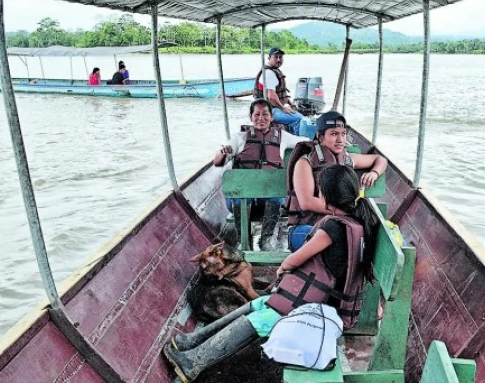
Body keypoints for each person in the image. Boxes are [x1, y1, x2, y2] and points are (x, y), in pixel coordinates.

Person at [163, 165, 377, 382]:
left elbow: (296, 258)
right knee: (259, 303)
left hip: (322, 311)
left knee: (265, 316)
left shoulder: (332, 228)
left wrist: (283, 268)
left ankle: (193, 362)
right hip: (326, 302)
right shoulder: (356, 223)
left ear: (326, 195)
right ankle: (195, 341)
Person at [214, 98, 308, 250]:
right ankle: (244, 240)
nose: (261, 118)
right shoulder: (239, 138)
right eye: (256, 115)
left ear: (272, 117)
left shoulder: (283, 136)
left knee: (277, 195)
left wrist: (320, 141)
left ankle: (266, 240)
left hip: (269, 201)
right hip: (242, 201)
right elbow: (218, 163)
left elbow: (304, 142)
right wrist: (223, 153)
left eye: (265, 114)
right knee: (240, 196)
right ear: (250, 117)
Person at [286, 111, 387, 237]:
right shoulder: (305, 163)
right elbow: (307, 202)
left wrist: (374, 173)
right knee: (339, 237)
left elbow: (380, 160)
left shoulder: (347, 159)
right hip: (305, 227)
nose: (340, 140)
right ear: (320, 137)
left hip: (336, 223)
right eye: (334, 134)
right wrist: (347, 213)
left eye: (343, 134)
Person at [255, 48, 308, 135]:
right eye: (276, 57)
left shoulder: (274, 71)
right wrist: (283, 108)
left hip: (273, 108)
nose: (278, 59)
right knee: (301, 119)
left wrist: (290, 104)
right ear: (269, 58)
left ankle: (290, 136)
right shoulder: (269, 73)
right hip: (268, 110)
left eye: (280, 57)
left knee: (296, 114)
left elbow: (280, 93)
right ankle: (299, 143)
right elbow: (271, 97)